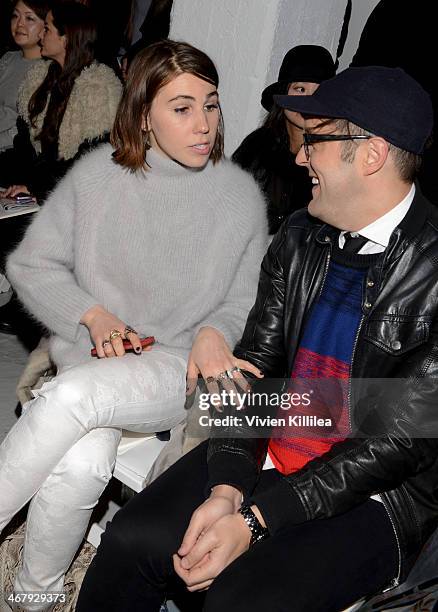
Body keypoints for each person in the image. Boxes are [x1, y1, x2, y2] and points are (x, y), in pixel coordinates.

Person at [77, 66, 438, 612]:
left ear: (371, 154)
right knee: (132, 537)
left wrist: (255, 520)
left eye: (315, 138)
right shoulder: (298, 237)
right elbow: (252, 370)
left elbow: (396, 443)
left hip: (379, 493)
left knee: (240, 599)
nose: (300, 156)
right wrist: (227, 488)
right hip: (274, 442)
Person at [0, 39, 267, 610]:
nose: (204, 124)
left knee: (71, 397)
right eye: (182, 107)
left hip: (181, 367)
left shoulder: (239, 196)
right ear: (143, 116)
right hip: (98, 358)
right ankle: (34, 596)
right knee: (82, 457)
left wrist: (214, 328)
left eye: (212, 104)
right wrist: (93, 315)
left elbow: (246, 299)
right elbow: (28, 264)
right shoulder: (98, 177)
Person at [0, 0, 122, 339]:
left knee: (17, 228)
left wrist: (33, 187)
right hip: (43, 190)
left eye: (49, 28)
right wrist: (17, 181)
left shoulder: (100, 88)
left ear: (69, 37)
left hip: (80, 202)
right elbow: (24, 147)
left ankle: (41, 310)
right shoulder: (41, 77)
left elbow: (88, 165)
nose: (43, 36)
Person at [232, 45, 335, 234]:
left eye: (318, 92)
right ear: (283, 96)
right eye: (300, 89)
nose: (307, 102)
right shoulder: (257, 146)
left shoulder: (339, 154)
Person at [0, 0, 48, 157]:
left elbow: (29, 129)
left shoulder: (48, 70)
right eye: (15, 16)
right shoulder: (7, 59)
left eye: (29, 18)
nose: (19, 24)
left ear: (46, 27)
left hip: (13, 154)